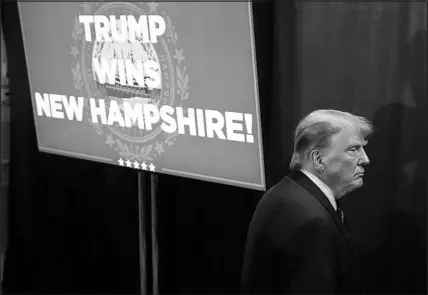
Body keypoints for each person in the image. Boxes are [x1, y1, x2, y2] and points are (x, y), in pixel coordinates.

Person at [241, 109, 372, 294]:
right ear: (318, 159)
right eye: (353, 149)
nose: (365, 159)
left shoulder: (287, 193)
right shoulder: (312, 219)